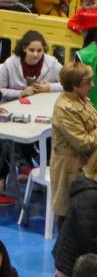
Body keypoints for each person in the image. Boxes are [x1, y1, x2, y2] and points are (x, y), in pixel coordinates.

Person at [52, 62, 97, 223]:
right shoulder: (66, 107)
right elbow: (83, 143)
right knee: (70, 219)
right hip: (71, 171)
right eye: (87, 83)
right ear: (75, 86)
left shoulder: (82, 100)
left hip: (87, 168)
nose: (92, 85)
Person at [0, 29, 63, 100]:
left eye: (39, 50)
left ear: (44, 49)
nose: (35, 54)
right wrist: (21, 93)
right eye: (31, 50)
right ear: (24, 48)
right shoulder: (10, 63)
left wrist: (50, 87)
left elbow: (71, 85)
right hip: (14, 106)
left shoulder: (52, 62)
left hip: (42, 106)